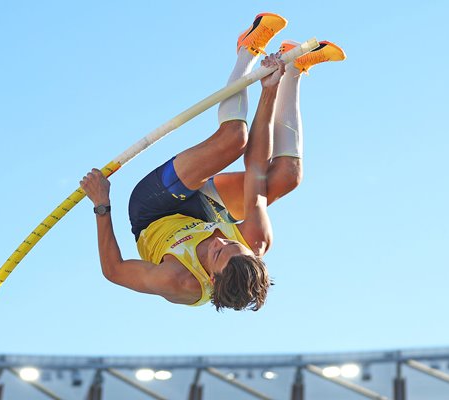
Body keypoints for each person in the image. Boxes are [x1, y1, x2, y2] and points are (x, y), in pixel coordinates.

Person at [80, 13, 346, 311]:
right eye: (232, 245)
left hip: (153, 211)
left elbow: (114, 270)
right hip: (201, 213)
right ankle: (292, 67)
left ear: (213, 281)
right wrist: (268, 90)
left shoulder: (180, 281)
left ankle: (247, 52)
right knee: (286, 176)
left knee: (233, 139)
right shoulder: (254, 240)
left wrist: (102, 205)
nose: (219, 241)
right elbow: (256, 168)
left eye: (217, 254)